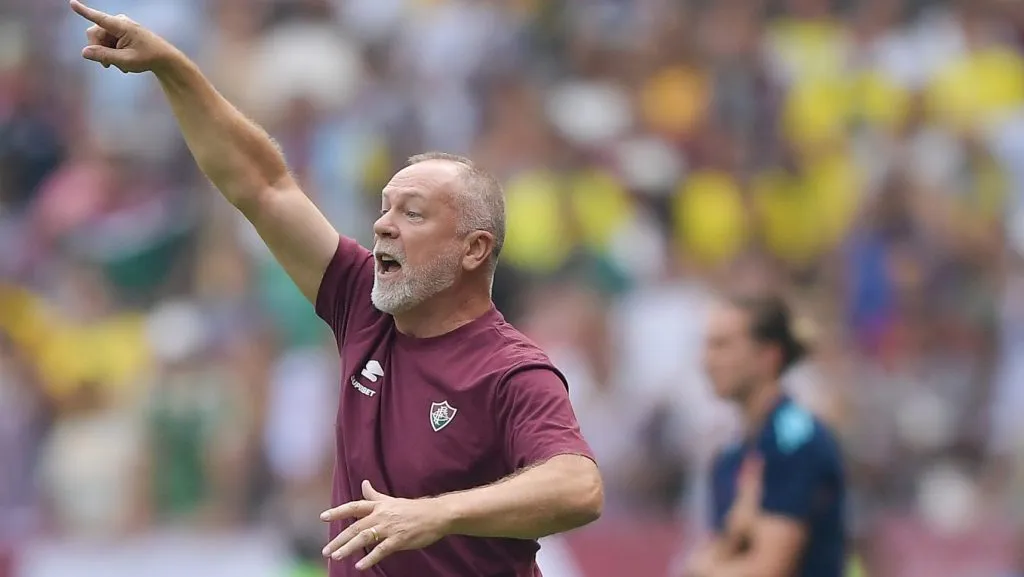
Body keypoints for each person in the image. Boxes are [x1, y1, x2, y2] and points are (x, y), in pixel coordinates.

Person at [66, 2, 603, 575]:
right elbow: (262, 185)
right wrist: (173, 68)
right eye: (384, 207)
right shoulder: (362, 303)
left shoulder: (511, 370)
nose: (383, 225)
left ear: (474, 249)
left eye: (412, 213)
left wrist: (437, 513)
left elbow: (579, 486)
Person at [682, 294, 846, 577]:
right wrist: (731, 537)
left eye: (722, 345)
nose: (707, 360)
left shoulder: (795, 440)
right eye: (707, 346)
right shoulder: (730, 455)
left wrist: (704, 566)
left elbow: (769, 568)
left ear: (767, 356)